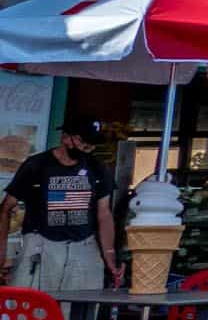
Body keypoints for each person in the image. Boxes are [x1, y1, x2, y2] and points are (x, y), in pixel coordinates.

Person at [0, 116, 122, 293]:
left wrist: (109, 256)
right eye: (82, 141)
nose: (87, 147)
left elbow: (104, 214)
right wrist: (2, 252)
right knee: (34, 311)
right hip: (41, 244)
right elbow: (5, 208)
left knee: (78, 313)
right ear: (65, 137)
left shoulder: (97, 168)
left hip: (84, 247)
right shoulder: (37, 165)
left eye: (92, 143)